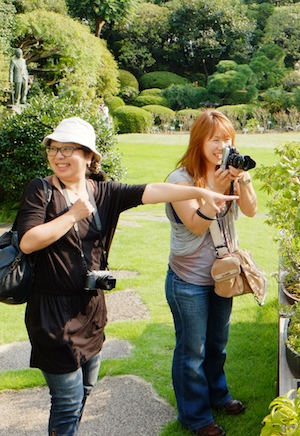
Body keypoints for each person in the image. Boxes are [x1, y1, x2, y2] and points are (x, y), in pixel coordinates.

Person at [17, 117, 237, 436]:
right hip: (52, 314)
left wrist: (201, 192)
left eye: (68, 149)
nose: (59, 156)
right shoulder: (41, 190)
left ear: (89, 157)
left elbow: (153, 190)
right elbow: (28, 241)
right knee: (67, 401)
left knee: (85, 390)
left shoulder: (104, 193)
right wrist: (73, 215)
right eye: (54, 148)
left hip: (90, 311)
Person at [164, 110, 258, 436]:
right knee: (192, 351)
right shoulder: (180, 180)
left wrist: (241, 179)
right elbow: (195, 224)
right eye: (214, 139)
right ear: (199, 142)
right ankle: (195, 416)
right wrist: (214, 189)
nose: (222, 146)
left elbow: (251, 210)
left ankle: (218, 395)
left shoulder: (229, 173)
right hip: (187, 280)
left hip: (223, 277)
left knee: (217, 344)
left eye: (227, 139)